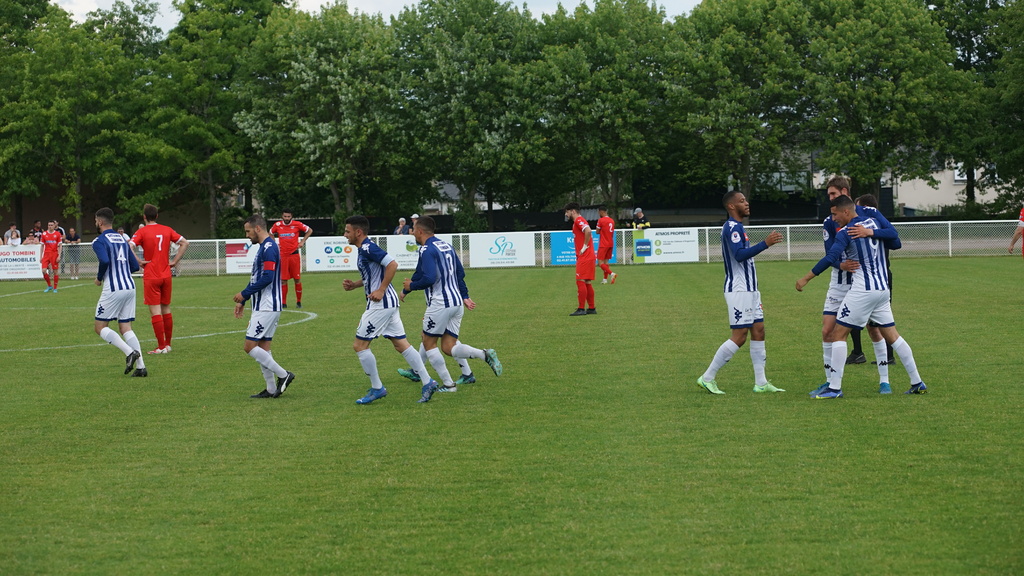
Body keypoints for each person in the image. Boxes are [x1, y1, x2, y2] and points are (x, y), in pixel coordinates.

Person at [797, 195, 927, 397]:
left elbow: (831, 257)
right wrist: (873, 234)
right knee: (893, 335)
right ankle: (917, 382)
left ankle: (834, 388)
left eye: (835, 214)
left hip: (863, 291)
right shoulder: (873, 222)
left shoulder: (847, 232)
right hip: (882, 290)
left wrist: (806, 278)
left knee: (839, 334)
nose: (833, 219)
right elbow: (894, 239)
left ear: (846, 211)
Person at [810, 177, 900, 395]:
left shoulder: (868, 212)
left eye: (832, 194)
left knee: (874, 329)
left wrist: (871, 232)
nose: (829, 198)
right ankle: (830, 381)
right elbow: (829, 254)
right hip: (840, 283)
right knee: (827, 330)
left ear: (844, 191)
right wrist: (840, 264)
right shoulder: (829, 221)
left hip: (866, 283)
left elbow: (894, 239)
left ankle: (884, 381)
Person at [399, 215, 502, 396]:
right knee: (448, 347)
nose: (412, 232)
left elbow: (428, 278)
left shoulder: (426, 249)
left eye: (413, 229)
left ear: (420, 231)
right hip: (456, 303)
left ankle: (448, 385)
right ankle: (484, 354)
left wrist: (411, 286)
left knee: (428, 342)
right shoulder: (446, 245)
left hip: (440, 303)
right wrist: (465, 296)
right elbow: (459, 273)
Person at [341, 215, 438, 404]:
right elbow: (374, 276)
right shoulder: (363, 249)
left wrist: (381, 289)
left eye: (347, 231)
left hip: (381, 304)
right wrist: (355, 285)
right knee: (400, 344)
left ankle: (378, 388)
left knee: (359, 346)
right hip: (388, 302)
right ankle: (428, 382)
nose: (345, 235)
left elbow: (392, 264)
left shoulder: (368, 247)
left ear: (358, 232)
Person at [696, 192, 785, 394]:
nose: (747, 203)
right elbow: (739, 255)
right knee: (740, 335)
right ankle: (707, 377)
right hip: (739, 289)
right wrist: (765, 243)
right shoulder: (732, 227)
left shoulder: (739, 227)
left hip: (751, 289)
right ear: (731, 206)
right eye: (742, 201)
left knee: (759, 330)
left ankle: (761, 382)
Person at [233, 214, 296, 399]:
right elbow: (257, 277)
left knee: (249, 346)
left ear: (257, 228)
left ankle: (284, 375)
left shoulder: (269, 247)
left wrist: (244, 294)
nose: (247, 235)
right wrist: (244, 300)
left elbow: (268, 277)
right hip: (264, 304)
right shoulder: (265, 247)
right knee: (263, 347)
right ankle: (270, 388)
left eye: (248, 231)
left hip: (267, 305)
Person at [91, 207, 147, 377]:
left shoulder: (99, 241)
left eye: (95, 221)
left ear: (100, 222)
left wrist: (99, 277)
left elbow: (105, 260)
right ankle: (141, 367)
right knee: (126, 327)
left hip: (113, 288)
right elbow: (135, 266)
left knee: (100, 327)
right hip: (130, 286)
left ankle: (129, 352)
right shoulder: (122, 239)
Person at [131, 204, 190, 354]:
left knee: (155, 310)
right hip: (166, 274)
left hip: (151, 274)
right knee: (166, 308)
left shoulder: (142, 231)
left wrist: (138, 261)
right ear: (157, 216)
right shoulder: (167, 229)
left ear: (144, 217)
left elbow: (129, 245)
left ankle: (161, 346)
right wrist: (175, 261)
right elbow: (185, 243)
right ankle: (168, 344)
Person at [269, 210, 312, 309]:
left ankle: (299, 302)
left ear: (291, 216)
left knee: (297, 279)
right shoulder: (278, 225)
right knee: (283, 280)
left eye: (288, 216)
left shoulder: (297, 224)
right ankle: (283, 303)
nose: (287, 218)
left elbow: (309, 230)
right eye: (285, 216)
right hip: (283, 256)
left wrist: (302, 241)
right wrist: (274, 242)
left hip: (294, 255)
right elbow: (270, 233)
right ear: (282, 216)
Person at [564, 202, 597, 316]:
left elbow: (588, 230)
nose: (566, 214)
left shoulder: (578, 220)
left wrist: (584, 246)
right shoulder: (577, 221)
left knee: (580, 281)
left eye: (567, 212)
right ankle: (591, 308)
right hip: (589, 256)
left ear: (572, 211)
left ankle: (581, 309)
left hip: (585, 256)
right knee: (587, 281)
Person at [40, 220, 63, 293]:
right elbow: (42, 245)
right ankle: (49, 285)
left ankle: (55, 288)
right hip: (46, 254)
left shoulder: (58, 234)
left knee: (55, 271)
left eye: (51, 225)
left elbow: (60, 245)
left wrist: (59, 255)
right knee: (43, 270)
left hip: (54, 254)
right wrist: (40, 256)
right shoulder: (44, 234)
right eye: (49, 225)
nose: (50, 226)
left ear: (54, 226)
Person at [596, 205, 617, 285]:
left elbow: (597, 231)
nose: (599, 213)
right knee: (606, 262)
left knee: (600, 263)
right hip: (610, 243)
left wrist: (601, 231)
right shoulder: (611, 220)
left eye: (599, 212)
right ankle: (605, 280)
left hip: (603, 243)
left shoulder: (601, 220)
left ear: (602, 212)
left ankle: (612, 274)